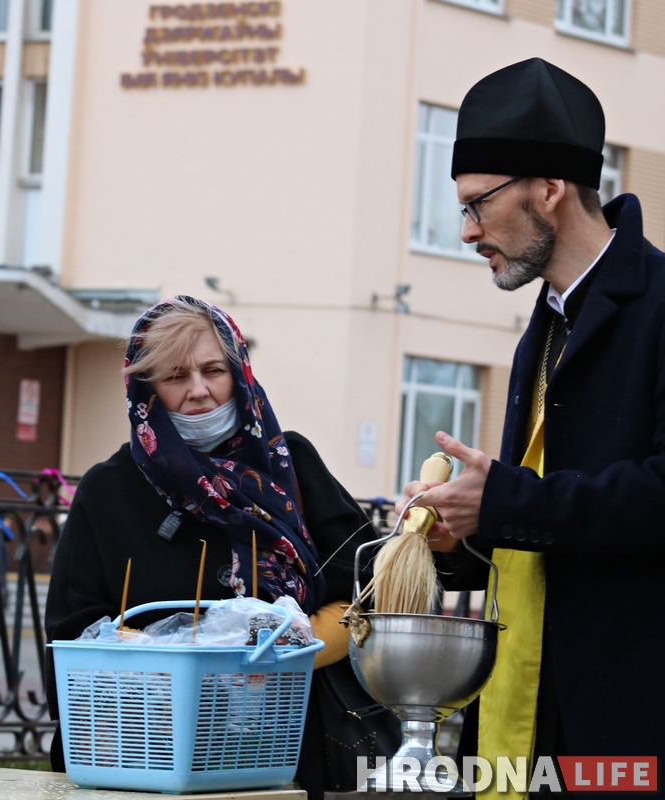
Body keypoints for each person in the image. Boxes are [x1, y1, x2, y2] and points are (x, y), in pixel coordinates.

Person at [405, 58, 665, 790]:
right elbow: (552, 513)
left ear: (549, 189)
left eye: (477, 204)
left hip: (628, 724)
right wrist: (464, 529)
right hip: (531, 710)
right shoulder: (545, 326)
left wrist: (505, 502)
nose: (465, 231)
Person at [45, 296, 395, 799]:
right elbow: (74, 626)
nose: (199, 391)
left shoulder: (289, 464)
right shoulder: (110, 489)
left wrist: (288, 651)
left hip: (297, 744)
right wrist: (179, 666)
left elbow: (371, 588)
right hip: (152, 749)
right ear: (144, 389)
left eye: (214, 370)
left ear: (239, 373)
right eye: (173, 377)